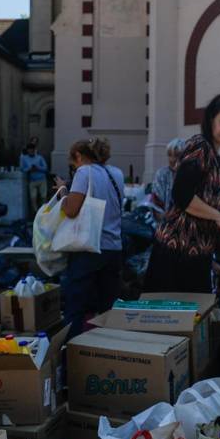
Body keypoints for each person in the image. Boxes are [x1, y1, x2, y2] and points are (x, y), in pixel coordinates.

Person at [143, 94, 220, 294]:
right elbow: (182, 195)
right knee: (170, 318)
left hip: (198, 253)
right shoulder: (199, 147)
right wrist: (219, 219)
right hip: (176, 252)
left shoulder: (213, 156)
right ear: (211, 119)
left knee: (193, 318)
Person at [52, 137, 125, 337]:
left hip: (88, 249)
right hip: (114, 250)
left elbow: (71, 210)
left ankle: (73, 357)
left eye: (73, 162)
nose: (73, 166)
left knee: (76, 308)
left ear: (79, 156)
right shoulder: (117, 173)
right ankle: (106, 353)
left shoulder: (84, 172)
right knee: (108, 309)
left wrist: (62, 191)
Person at [149, 138, 185, 213]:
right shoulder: (162, 174)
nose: (172, 159)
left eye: (177, 155)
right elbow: (156, 203)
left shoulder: (191, 174)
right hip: (164, 221)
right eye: (169, 155)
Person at [19, 143, 49, 213]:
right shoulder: (24, 158)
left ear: (35, 150)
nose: (31, 151)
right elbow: (22, 169)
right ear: (27, 150)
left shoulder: (39, 158)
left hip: (42, 180)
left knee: (43, 197)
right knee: (33, 198)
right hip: (32, 180)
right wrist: (29, 169)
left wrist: (38, 168)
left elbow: (45, 168)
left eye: (32, 150)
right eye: (30, 150)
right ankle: (35, 213)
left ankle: (44, 212)